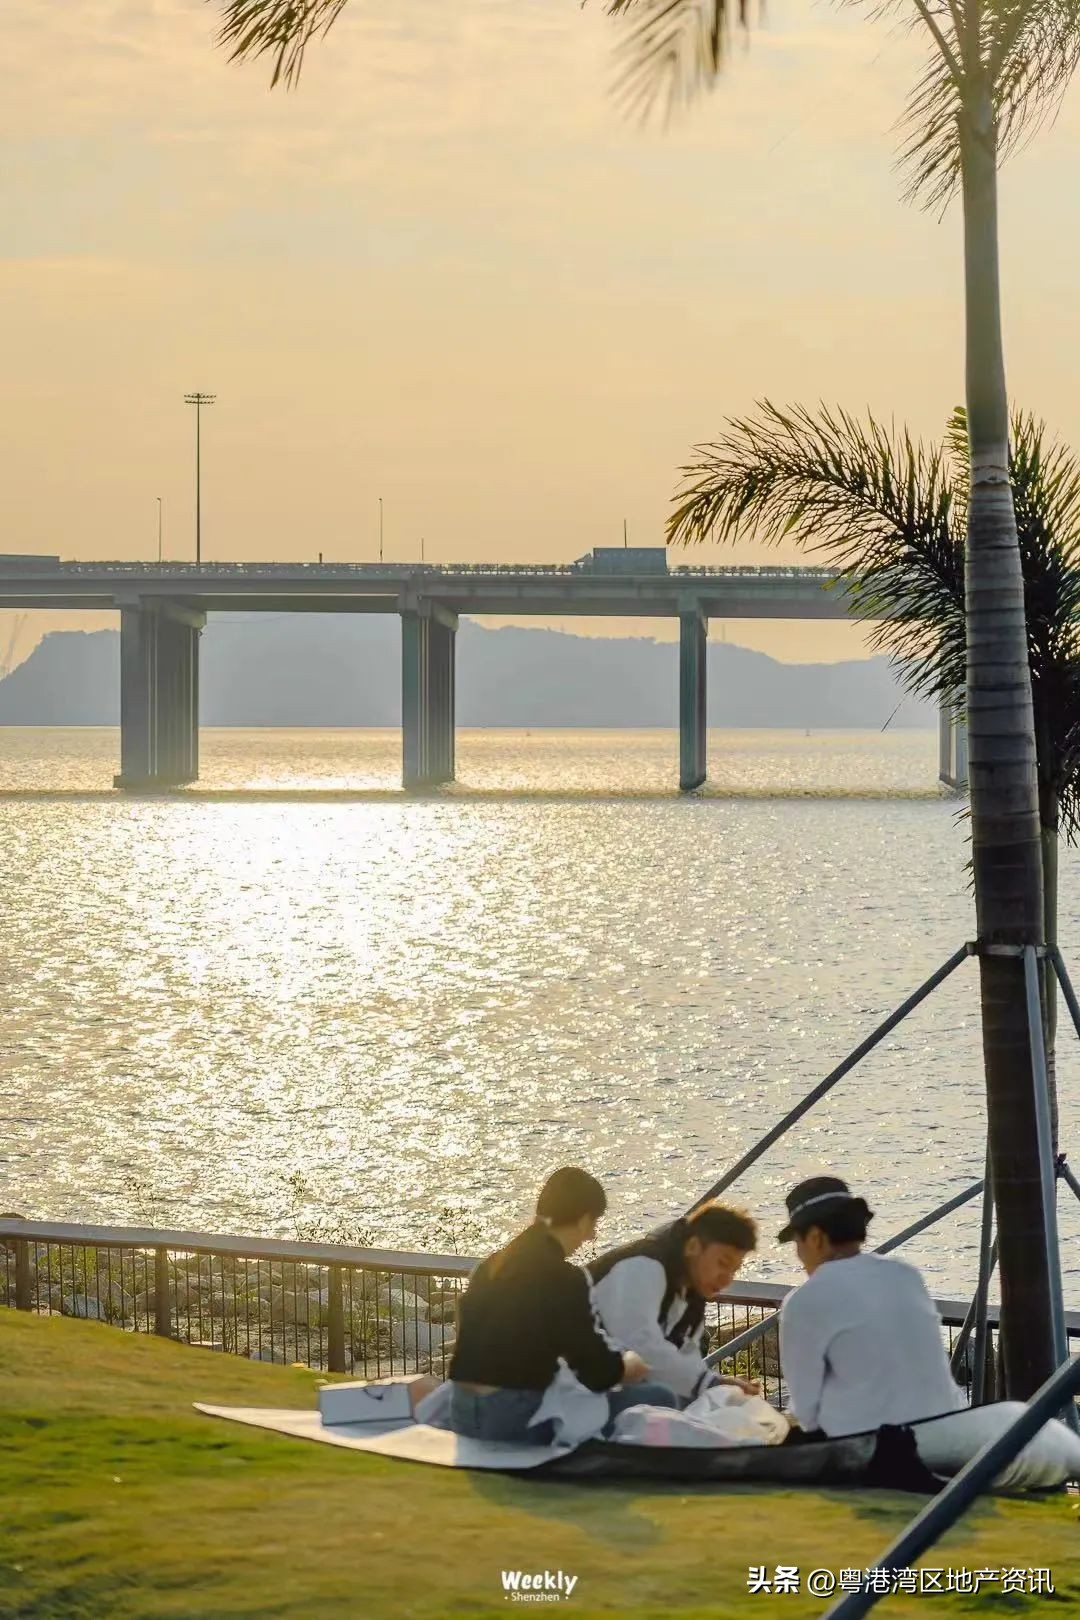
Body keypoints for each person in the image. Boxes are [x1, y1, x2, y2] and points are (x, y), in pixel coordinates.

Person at [447, 1167, 679, 1444]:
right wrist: (633, 1364)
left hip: (462, 1409)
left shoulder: (490, 1265)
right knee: (659, 1397)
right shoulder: (564, 1278)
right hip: (513, 1417)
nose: (591, 1237)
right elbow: (598, 1373)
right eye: (593, 1224)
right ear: (583, 1221)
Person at [777, 1174, 966, 1438]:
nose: (798, 1255)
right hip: (947, 1431)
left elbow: (806, 1410)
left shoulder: (805, 1299)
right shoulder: (906, 1275)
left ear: (816, 1238)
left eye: (797, 1242)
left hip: (872, 1446)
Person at [589, 1202, 760, 1404]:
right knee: (664, 1400)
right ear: (692, 1247)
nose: (727, 1279)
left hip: (604, 1385)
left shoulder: (691, 1293)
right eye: (723, 1263)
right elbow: (640, 1344)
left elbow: (687, 1358)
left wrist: (717, 1384)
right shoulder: (643, 1267)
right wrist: (708, 1384)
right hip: (568, 1386)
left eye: (735, 1270)